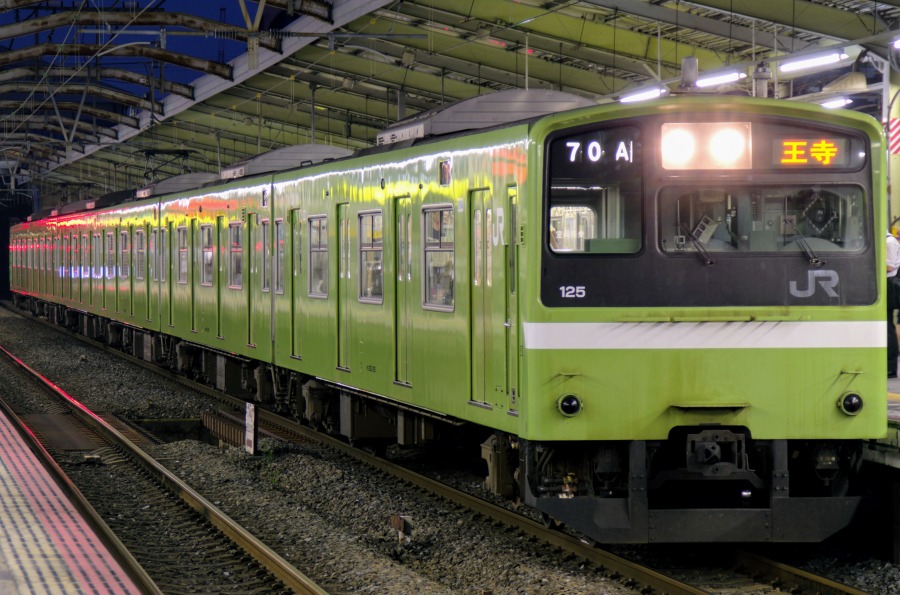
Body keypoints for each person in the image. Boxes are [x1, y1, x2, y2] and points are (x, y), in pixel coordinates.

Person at [887, 230, 900, 377]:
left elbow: (889, 267)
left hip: (889, 286)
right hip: (885, 285)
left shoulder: (889, 242)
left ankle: (891, 367)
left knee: (888, 327)